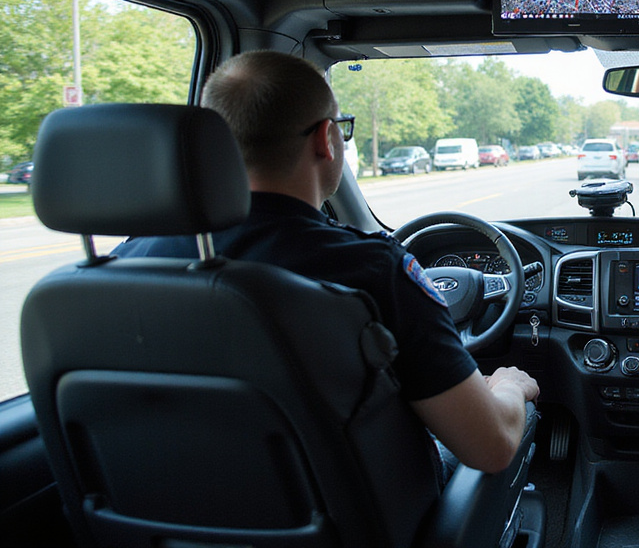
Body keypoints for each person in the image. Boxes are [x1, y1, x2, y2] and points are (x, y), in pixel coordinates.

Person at [115, 50, 539, 485]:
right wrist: (509, 387)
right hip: (353, 521)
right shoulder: (374, 271)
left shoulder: (125, 263)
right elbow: (491, 447)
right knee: (517, 418)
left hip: (172, 513)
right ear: (326, 139)